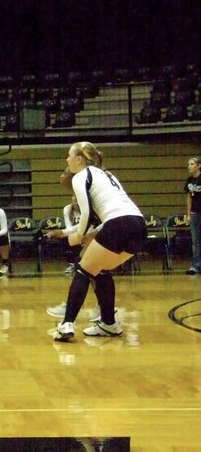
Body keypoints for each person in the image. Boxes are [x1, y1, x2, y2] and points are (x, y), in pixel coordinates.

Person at [53, 141, 146, 342]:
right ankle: (109, 324)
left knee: (82, 269)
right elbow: (107, 214)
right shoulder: (107, 174)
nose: (67, 159)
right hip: (139, 226)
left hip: (118, 224)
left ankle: (66, 324)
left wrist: (78, 236)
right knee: (100, 270)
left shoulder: (80, 175)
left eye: (69, 155)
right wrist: (87, 232)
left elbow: (85, 212)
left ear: (79, 159)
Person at [184, 156, 201, 275]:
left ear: (199, 166)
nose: (189, 166)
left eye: (192, 164)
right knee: (195, 240)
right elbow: (189, 197)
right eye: (188, 164)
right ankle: (195, 266)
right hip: (195, 213)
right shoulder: (189, 180)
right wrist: (188, 214)